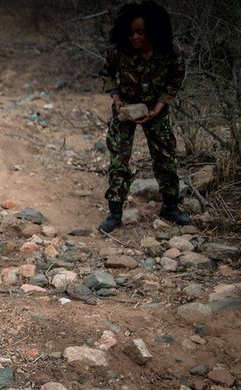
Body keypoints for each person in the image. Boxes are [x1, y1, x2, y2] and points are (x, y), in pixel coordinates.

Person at [98, 1, 191, 233]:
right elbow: (107, 73)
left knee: (166, 158)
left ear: (153, 31)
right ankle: (115, 213)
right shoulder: (119, 50)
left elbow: (175, 80)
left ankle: (170, 206)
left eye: (140, 32)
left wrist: (158, 108)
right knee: (119, 161)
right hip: (126, 108)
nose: (135, 38)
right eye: (130, 33)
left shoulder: (171, 52)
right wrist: (118, 101)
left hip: (155, 109)